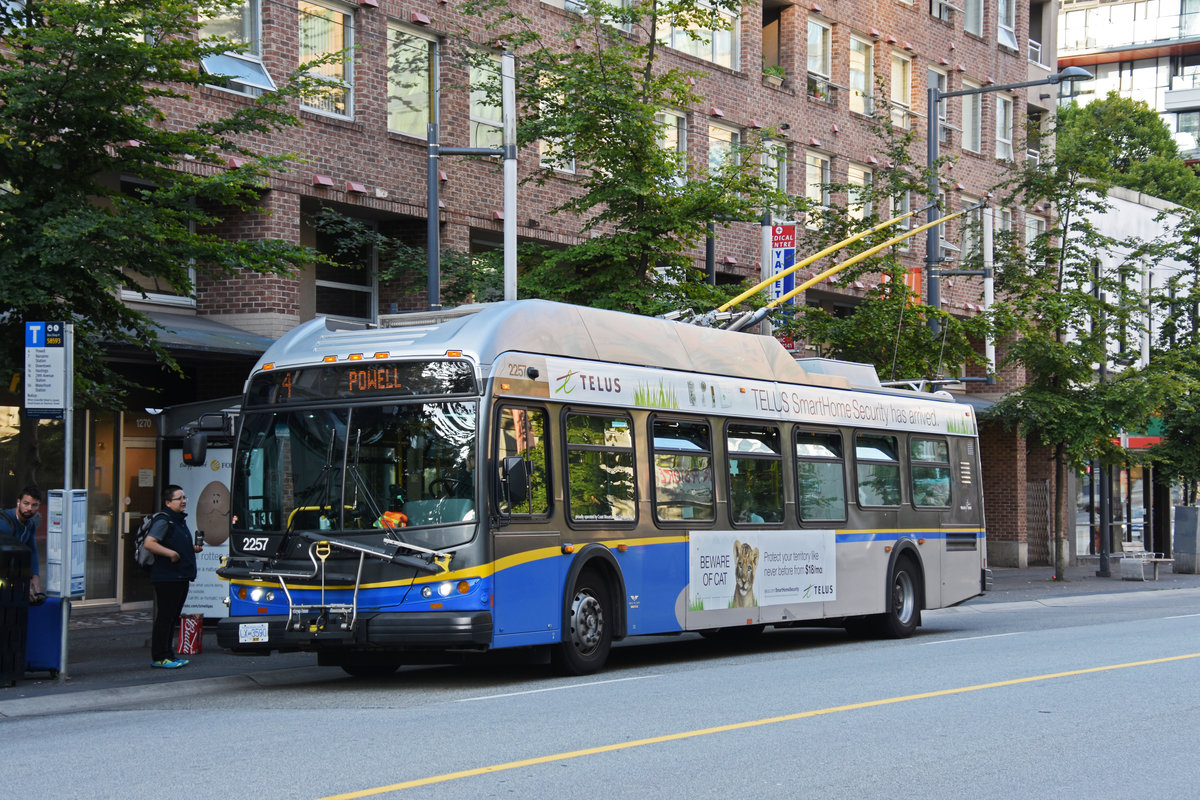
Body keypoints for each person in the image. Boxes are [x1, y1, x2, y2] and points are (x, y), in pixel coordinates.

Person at [143, 484, 203, 669]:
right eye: (179, 498)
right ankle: (160, 656)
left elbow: (175, 543)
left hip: (179, 576)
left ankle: (168, 655)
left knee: (171, 617)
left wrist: (191, 549)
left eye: (184, 497)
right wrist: (171, 554)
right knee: (165, 617)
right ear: (168, 502)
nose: (184, 501)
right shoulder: (164, 520)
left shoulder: (177, 520)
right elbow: (150, 543)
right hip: (167, 577)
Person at [0, 486, 43, 602]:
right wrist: (23, 582)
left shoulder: (31, 524)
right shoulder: (5, 523)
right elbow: (7, 558)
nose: (30, 508)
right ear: (18, 502)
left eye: (34, 505)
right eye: (26, 503)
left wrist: (35, 577)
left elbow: (32, 551)